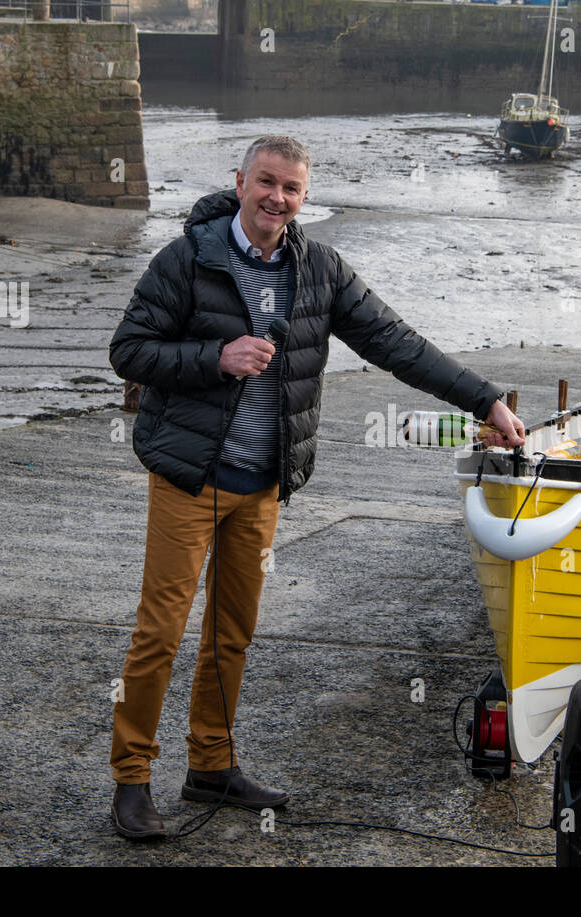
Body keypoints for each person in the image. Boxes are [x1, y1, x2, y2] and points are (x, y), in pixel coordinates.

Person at [106, 135, 525, 839]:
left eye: (291, 189)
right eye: (266, 182)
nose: (276, 198)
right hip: (188, 478)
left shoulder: (320, 269)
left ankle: (211, 762)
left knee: (231, 633)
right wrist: (217, 356)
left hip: (263, 483)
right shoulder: (186, 259)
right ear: (239, 182)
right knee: (161, 631)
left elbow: (397, 342)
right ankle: (131, 779)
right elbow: (128, 349)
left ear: (304, 197)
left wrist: (485, 401)